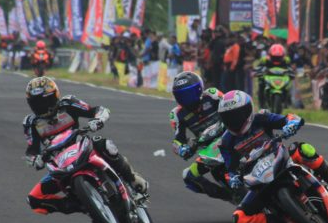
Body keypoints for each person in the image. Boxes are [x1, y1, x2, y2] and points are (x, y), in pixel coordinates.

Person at [217, 90, 328, 223]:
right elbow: (230, 167)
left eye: (237, 115)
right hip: (258, 179)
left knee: (302, 149)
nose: (234, 121)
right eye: (228, 117)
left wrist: (291, 124)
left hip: (280, 157)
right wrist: (233, 178)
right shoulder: (225, 142)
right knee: (239, 219)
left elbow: (289, 118)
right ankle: (285, 219)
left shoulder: (261, 118)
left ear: (248, 109)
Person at [23, 76, 148, 215]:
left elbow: (97, 110)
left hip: (83, 146)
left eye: (45, 101)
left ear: (55, 96)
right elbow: (31, 149)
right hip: (59, 164)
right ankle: (81, 204)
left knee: (106, 145)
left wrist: (98, 120)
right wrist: (34, 160)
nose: (42, 107)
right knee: (33, 199)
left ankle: (132, 180)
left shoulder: (68, 103)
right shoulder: (31, 123)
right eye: (36, 103)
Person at [169, 72, 231, 201]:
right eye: (182, 96)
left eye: (189, 94)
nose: (186, 99)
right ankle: (228, 196)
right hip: (210, 152)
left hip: (230, 137)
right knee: (188, 176)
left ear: (199, 89)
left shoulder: (212, 95)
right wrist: (182, 149)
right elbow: (178, 139)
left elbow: (231, 106)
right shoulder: (177, 114)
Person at [255, 43, 293, 107]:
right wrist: (258, 72)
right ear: (270, 55)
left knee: (289, 86)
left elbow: (290, 68)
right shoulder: (265, 59)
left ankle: (288, 101)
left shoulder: (286, 60)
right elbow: (258, 67)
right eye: (274, 57)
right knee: (261, 84)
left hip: (282, 78)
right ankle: (261, 104)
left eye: (279, 57)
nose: (276, 59)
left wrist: (292, 73)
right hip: (268, 77)